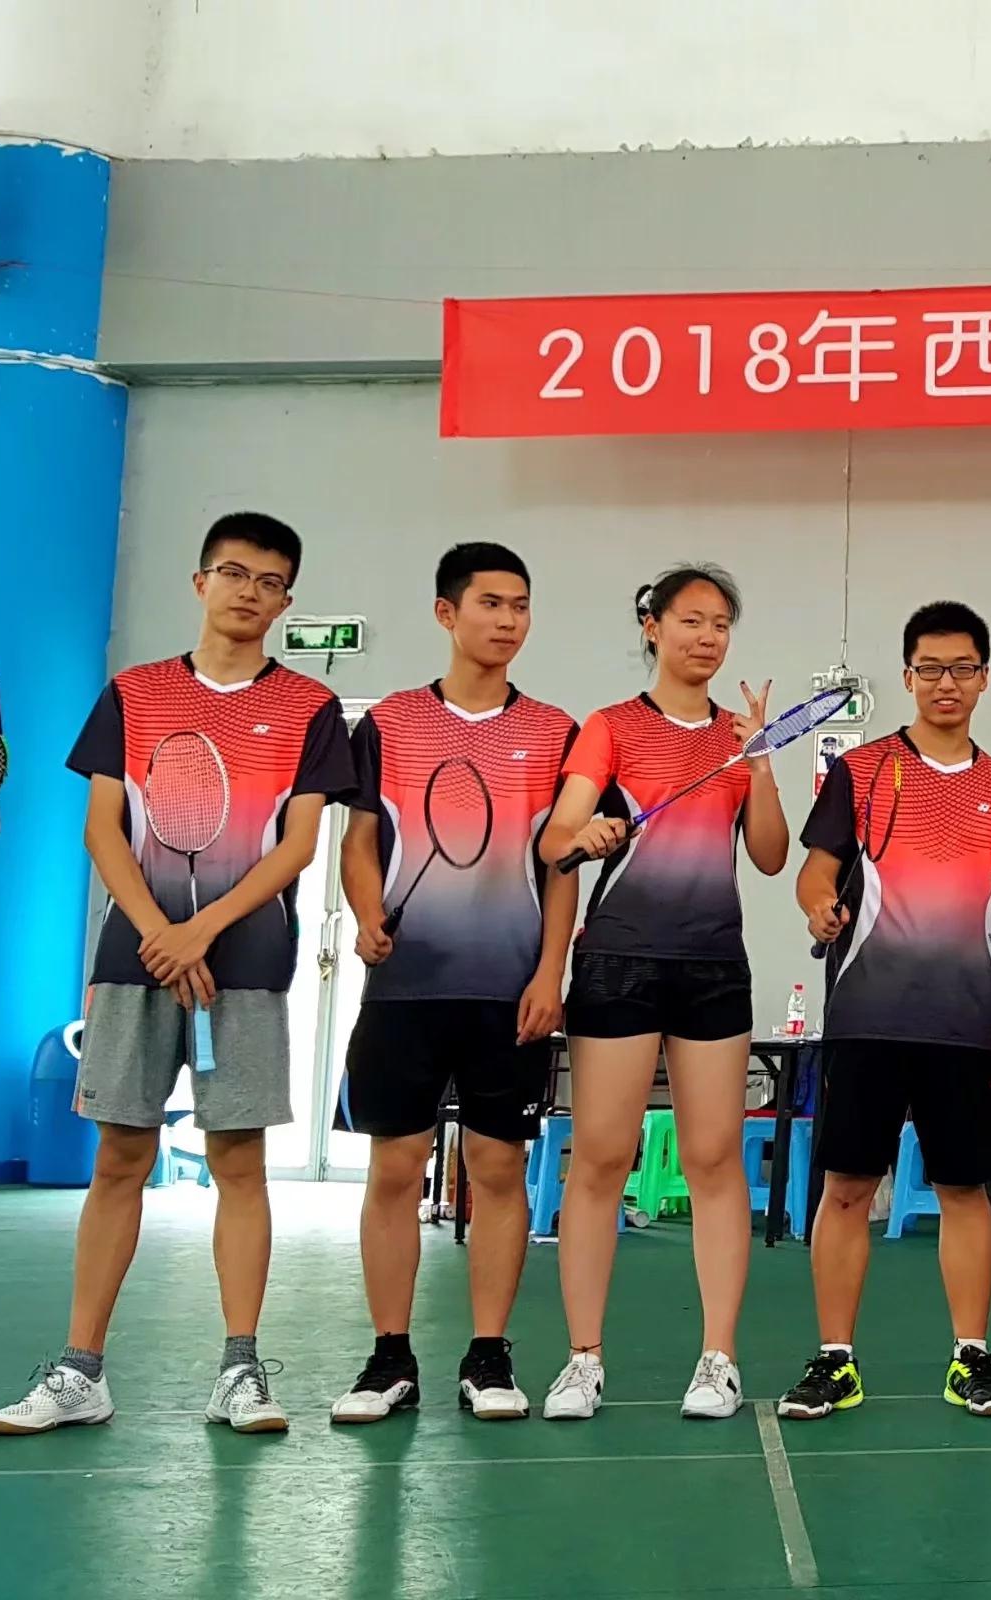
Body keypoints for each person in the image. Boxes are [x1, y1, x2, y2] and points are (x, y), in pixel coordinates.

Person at [0, 512, 353, 1436]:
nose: (248, 592)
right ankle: (81, 1372)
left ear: (286, 601)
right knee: (120, 1155)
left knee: (239, 1160)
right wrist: (160, 931)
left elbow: (297, 846)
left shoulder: (309, 707)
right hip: (135, 959)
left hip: (248, 964)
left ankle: (240, 1371)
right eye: (233, 572)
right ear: (200, 582)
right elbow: (103, 828)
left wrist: (203, 932)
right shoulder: (135, 693)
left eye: (269, 582)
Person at [326, 543, 581, 1425]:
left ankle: (489, 1354)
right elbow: (360, 842)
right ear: (447, 613)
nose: (508, 621)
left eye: (521, 605)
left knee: (497, 1166)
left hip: (508, 991)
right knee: (395, 1167)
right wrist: (366, 913)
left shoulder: (554, 731)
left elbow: (559, 867)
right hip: (405, 988)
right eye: (490, 603)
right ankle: (389, 1357)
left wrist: (549, 971)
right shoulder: (388, 723)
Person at [530, 565, 792, 1422]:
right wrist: (589, 831)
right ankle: (582, 1359)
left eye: (720, 624)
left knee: (714, 1159)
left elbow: (770, 856)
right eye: (691, 620)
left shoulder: (737, 742)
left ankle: (718, 1359)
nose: (707, 637)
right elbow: (555, 839)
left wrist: (759, 762)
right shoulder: (609, 728)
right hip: (619, 963)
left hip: (712, 966)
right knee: (601, 1157)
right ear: (652, 626)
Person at [782, 601, 991, 1422]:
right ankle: (835, 1361)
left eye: (962, 668)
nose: (945, 682)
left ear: (984, 678)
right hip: (867, 1017)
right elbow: (816, 870)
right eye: (929, 668)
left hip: (965, 1023)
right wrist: (818, 905)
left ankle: (971, 1360)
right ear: (906, 677)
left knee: (964, 1189)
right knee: (847, 1188)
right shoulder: (861, 771)